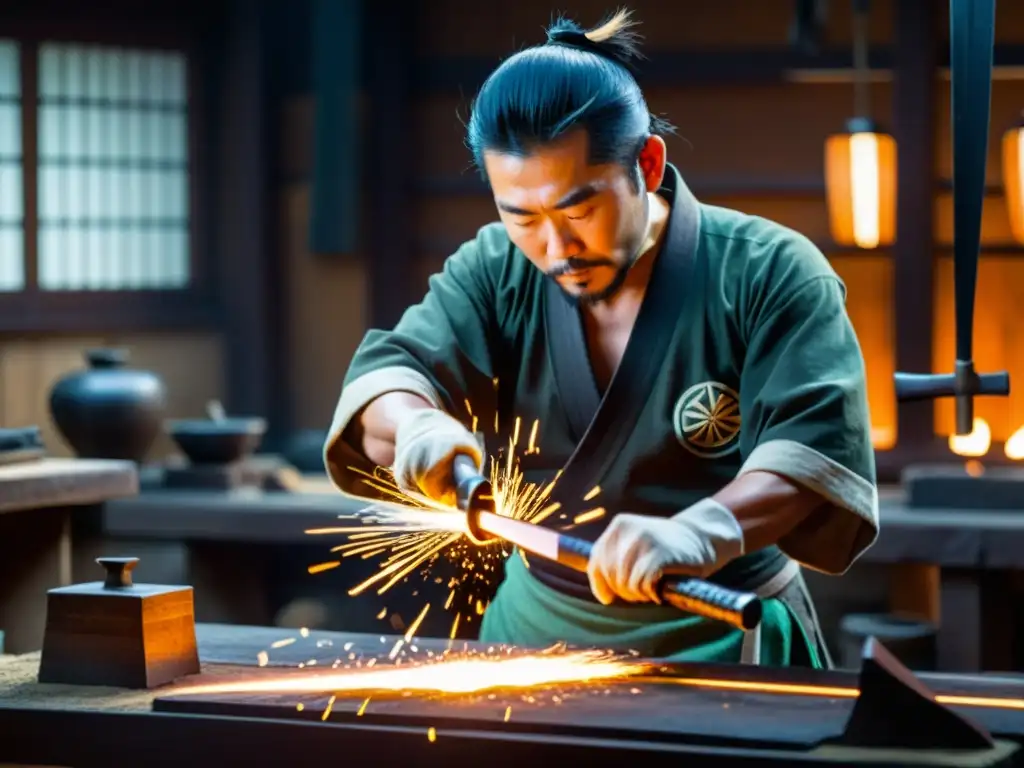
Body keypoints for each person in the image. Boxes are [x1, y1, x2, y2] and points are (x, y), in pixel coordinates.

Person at [324, 9, 878, 668]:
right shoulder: (495, 268)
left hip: (723, 629)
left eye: (579, 210)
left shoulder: (768, 270)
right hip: (530, 637)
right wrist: (415, 426)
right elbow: (391, 373)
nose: (555, 247)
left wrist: (704, 531)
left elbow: (813, 453)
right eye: (521, 217)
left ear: (646, 163)